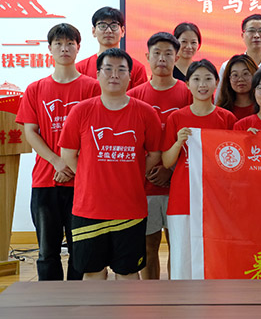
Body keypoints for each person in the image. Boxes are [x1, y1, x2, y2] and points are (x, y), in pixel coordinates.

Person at [59, 48, 162, 280]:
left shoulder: (146, 113)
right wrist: (89, 175)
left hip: (130, 208)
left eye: (121, 70)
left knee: (128, 272)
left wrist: (134, 173)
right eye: (108, 69)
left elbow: (155, 154)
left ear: (130, 76)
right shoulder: (81, 111)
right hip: (89, 208)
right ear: (98, 74)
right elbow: (68, 154)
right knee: (92, 273)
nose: (114, 74)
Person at [16, 23, 100, 281]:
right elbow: (31, 132)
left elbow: (95, 134)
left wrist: (71, 166)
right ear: (50, 49)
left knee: (80, 251)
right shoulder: (35, 89)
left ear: (78, 48)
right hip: (45, 180)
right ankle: (50, 301)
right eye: (59, 44)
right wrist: (57, 162)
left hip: (81, 182)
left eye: (70, 44)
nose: (65, 48)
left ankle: (76, 301)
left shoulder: (92, 88)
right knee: (47, 252)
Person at [162, 59, 237, 280]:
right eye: (196, 79)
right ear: (187, 84)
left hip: (217, 200)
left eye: (207, 79)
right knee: (182, 256)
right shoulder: (177, 118)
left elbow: (234, 162)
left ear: (216, 82)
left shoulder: (227, 119)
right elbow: (166, 162)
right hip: (183, 198)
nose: (202, 84)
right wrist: (178, 143)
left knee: (216, 255)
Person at [127, 32, 191, 280]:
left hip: (180, 186)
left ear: (177, 57)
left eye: (168, 54)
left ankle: (177, 296)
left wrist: (169, 170)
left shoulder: (188, 92)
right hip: (145, 186)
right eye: (157, 53)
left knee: (179, 248)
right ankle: (151, 296)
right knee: (148, 247)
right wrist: (149, 171)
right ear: (147, 56)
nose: (162, 59)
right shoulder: (134, 95)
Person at [76, 7, 148, 90]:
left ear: (123, 31)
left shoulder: (137, 68)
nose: (108, 31)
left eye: (114, 26)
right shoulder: (80, 69)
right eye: (103, 26)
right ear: (94, 31)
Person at [216, 54, 258, 119]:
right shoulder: (220, 112)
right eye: (235, 75)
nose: (240, 79)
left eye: (245, 74)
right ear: (228, 79)